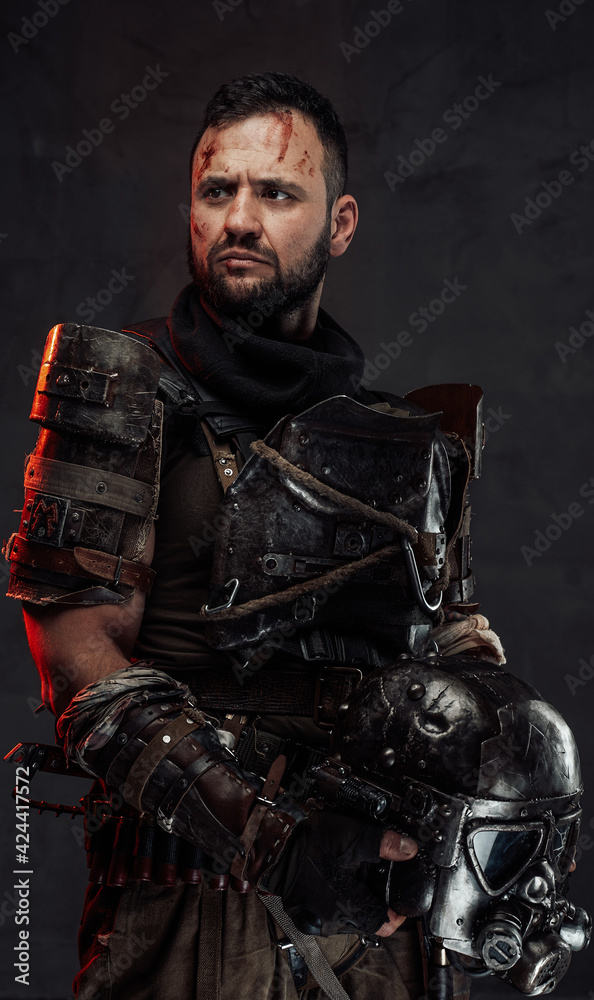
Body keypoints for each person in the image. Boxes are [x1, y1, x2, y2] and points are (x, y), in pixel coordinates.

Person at [5, 72, 503, 999]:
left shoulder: (403, 435)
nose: (240, 218)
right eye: (216, 191)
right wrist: (279, 844)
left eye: (276, 193)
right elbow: (79, 665)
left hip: (379, 917)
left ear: (339, 224)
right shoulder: (118, 389)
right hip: (190, 908)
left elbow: (452, 638)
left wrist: (504, 761)